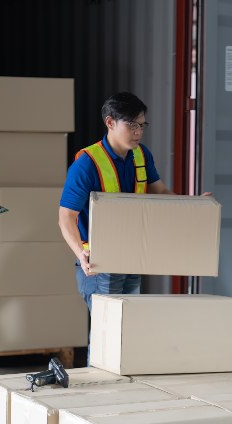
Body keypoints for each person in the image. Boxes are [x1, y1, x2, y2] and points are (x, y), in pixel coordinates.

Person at [58, 92, 175, 311]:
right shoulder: (87, 164)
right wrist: (81, 256)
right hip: (99, 263)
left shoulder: (141, 155)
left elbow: (161, 192)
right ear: (110, 122)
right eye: (132, 125)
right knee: (107, 334)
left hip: (131, 256)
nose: (138, 132)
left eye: (142, 125)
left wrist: (193, 206)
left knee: (127, 329)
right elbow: (66, 217)